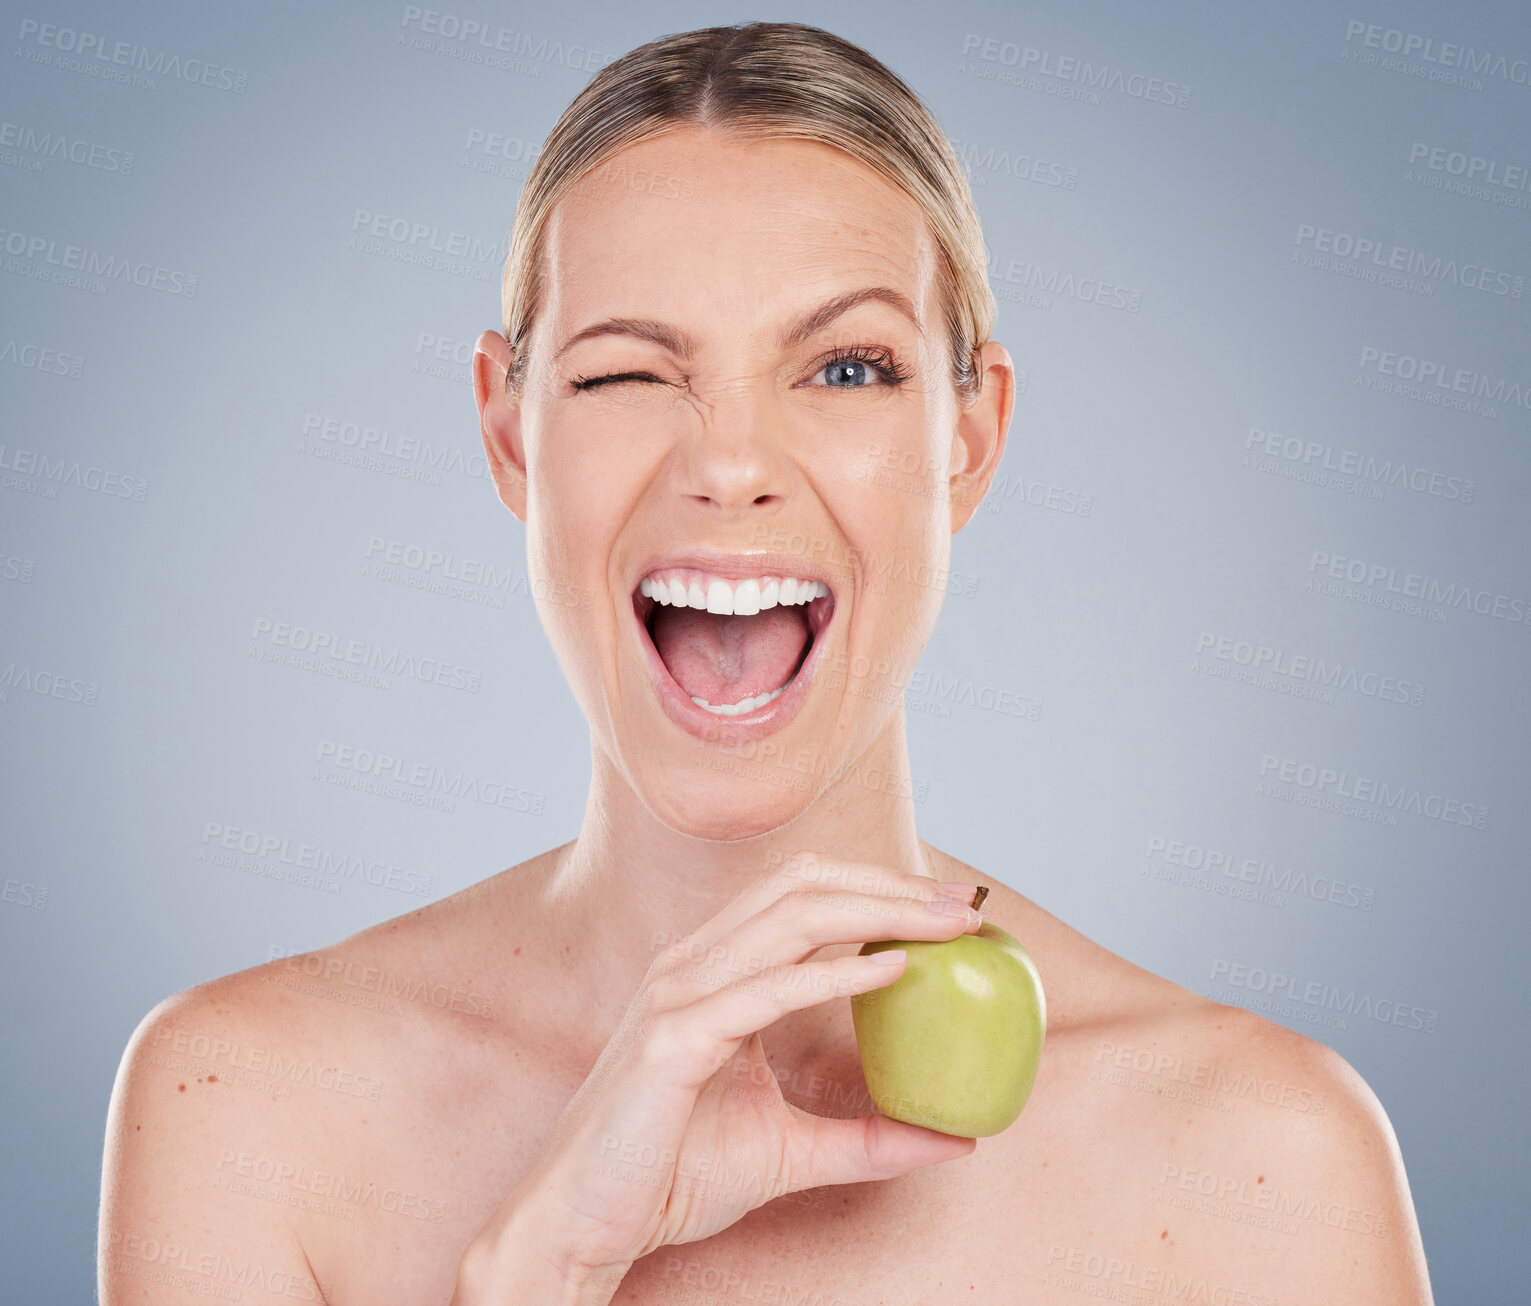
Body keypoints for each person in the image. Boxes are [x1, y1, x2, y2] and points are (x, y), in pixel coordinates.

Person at [99, 21, 1434, 1305]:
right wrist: (541, 1270)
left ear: (967, 437)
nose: (730, 465)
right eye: (628, 374)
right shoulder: (243, 1116)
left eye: (847, 368)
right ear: (510, 435)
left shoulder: (1268, 1160)